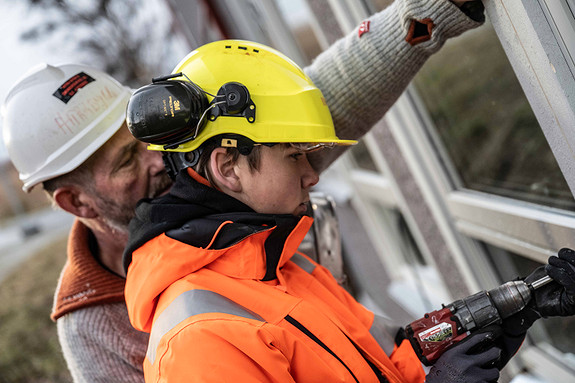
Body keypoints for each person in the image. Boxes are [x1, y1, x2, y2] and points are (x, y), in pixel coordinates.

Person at [1, 0, 485, 381]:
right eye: (127, 160)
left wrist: (427, 12)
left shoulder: (209, 177)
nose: (155, 158)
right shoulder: (94, 328)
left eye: (146, 139)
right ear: (76, 202)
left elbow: (323, 99)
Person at [122, 39, 575, 382]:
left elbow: (393, 359)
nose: (311, 174)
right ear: (228, 167)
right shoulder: (199, 341)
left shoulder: (278, 266)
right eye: (294, 155)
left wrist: (506, 313)